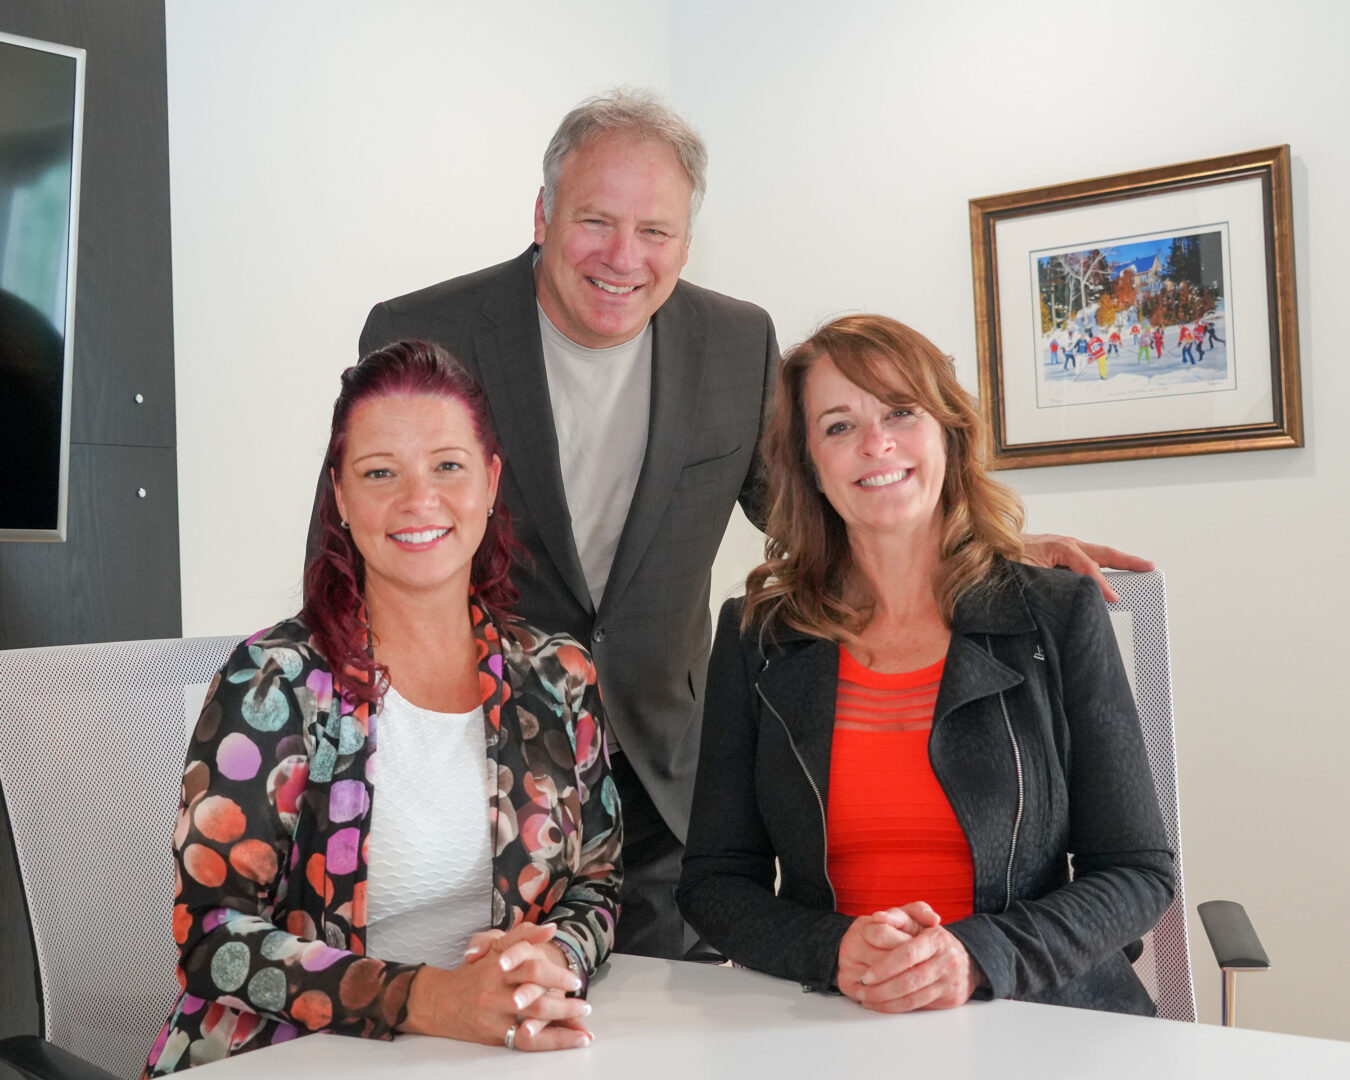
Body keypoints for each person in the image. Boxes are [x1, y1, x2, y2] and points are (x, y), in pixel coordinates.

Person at [332, 89, 1152, 960]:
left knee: (659, 1024)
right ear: (543, 214)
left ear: (688, 239)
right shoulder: (424, 330)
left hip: (659, 774)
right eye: (595, 221)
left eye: (656, 231)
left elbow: (814, 501)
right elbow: (369, 523)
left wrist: (987, 546)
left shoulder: (735, 340)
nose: (624, 257)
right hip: (474, 759)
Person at [677, 314, 1174, 1017]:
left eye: (901, 411)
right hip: (836, 1018)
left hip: (1040, 1014)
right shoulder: (759, 634)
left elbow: (1136, 872)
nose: (876, 443)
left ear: (948, 431)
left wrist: (977, 956)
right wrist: (833, 948)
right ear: (809, 463)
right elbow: (716, 882)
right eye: (839, 426)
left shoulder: (1055, 614)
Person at [148, 342, 621, 1073]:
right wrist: (429, 1000)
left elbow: (594, 879)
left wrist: (548, 956)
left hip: (488, 1055)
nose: (418, 500)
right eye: (379, 473)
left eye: (448, 466)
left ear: (491, 482)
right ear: (339, 496)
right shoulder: (272, 682)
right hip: (286, 1057)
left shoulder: (557, 674)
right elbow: (213, 936)